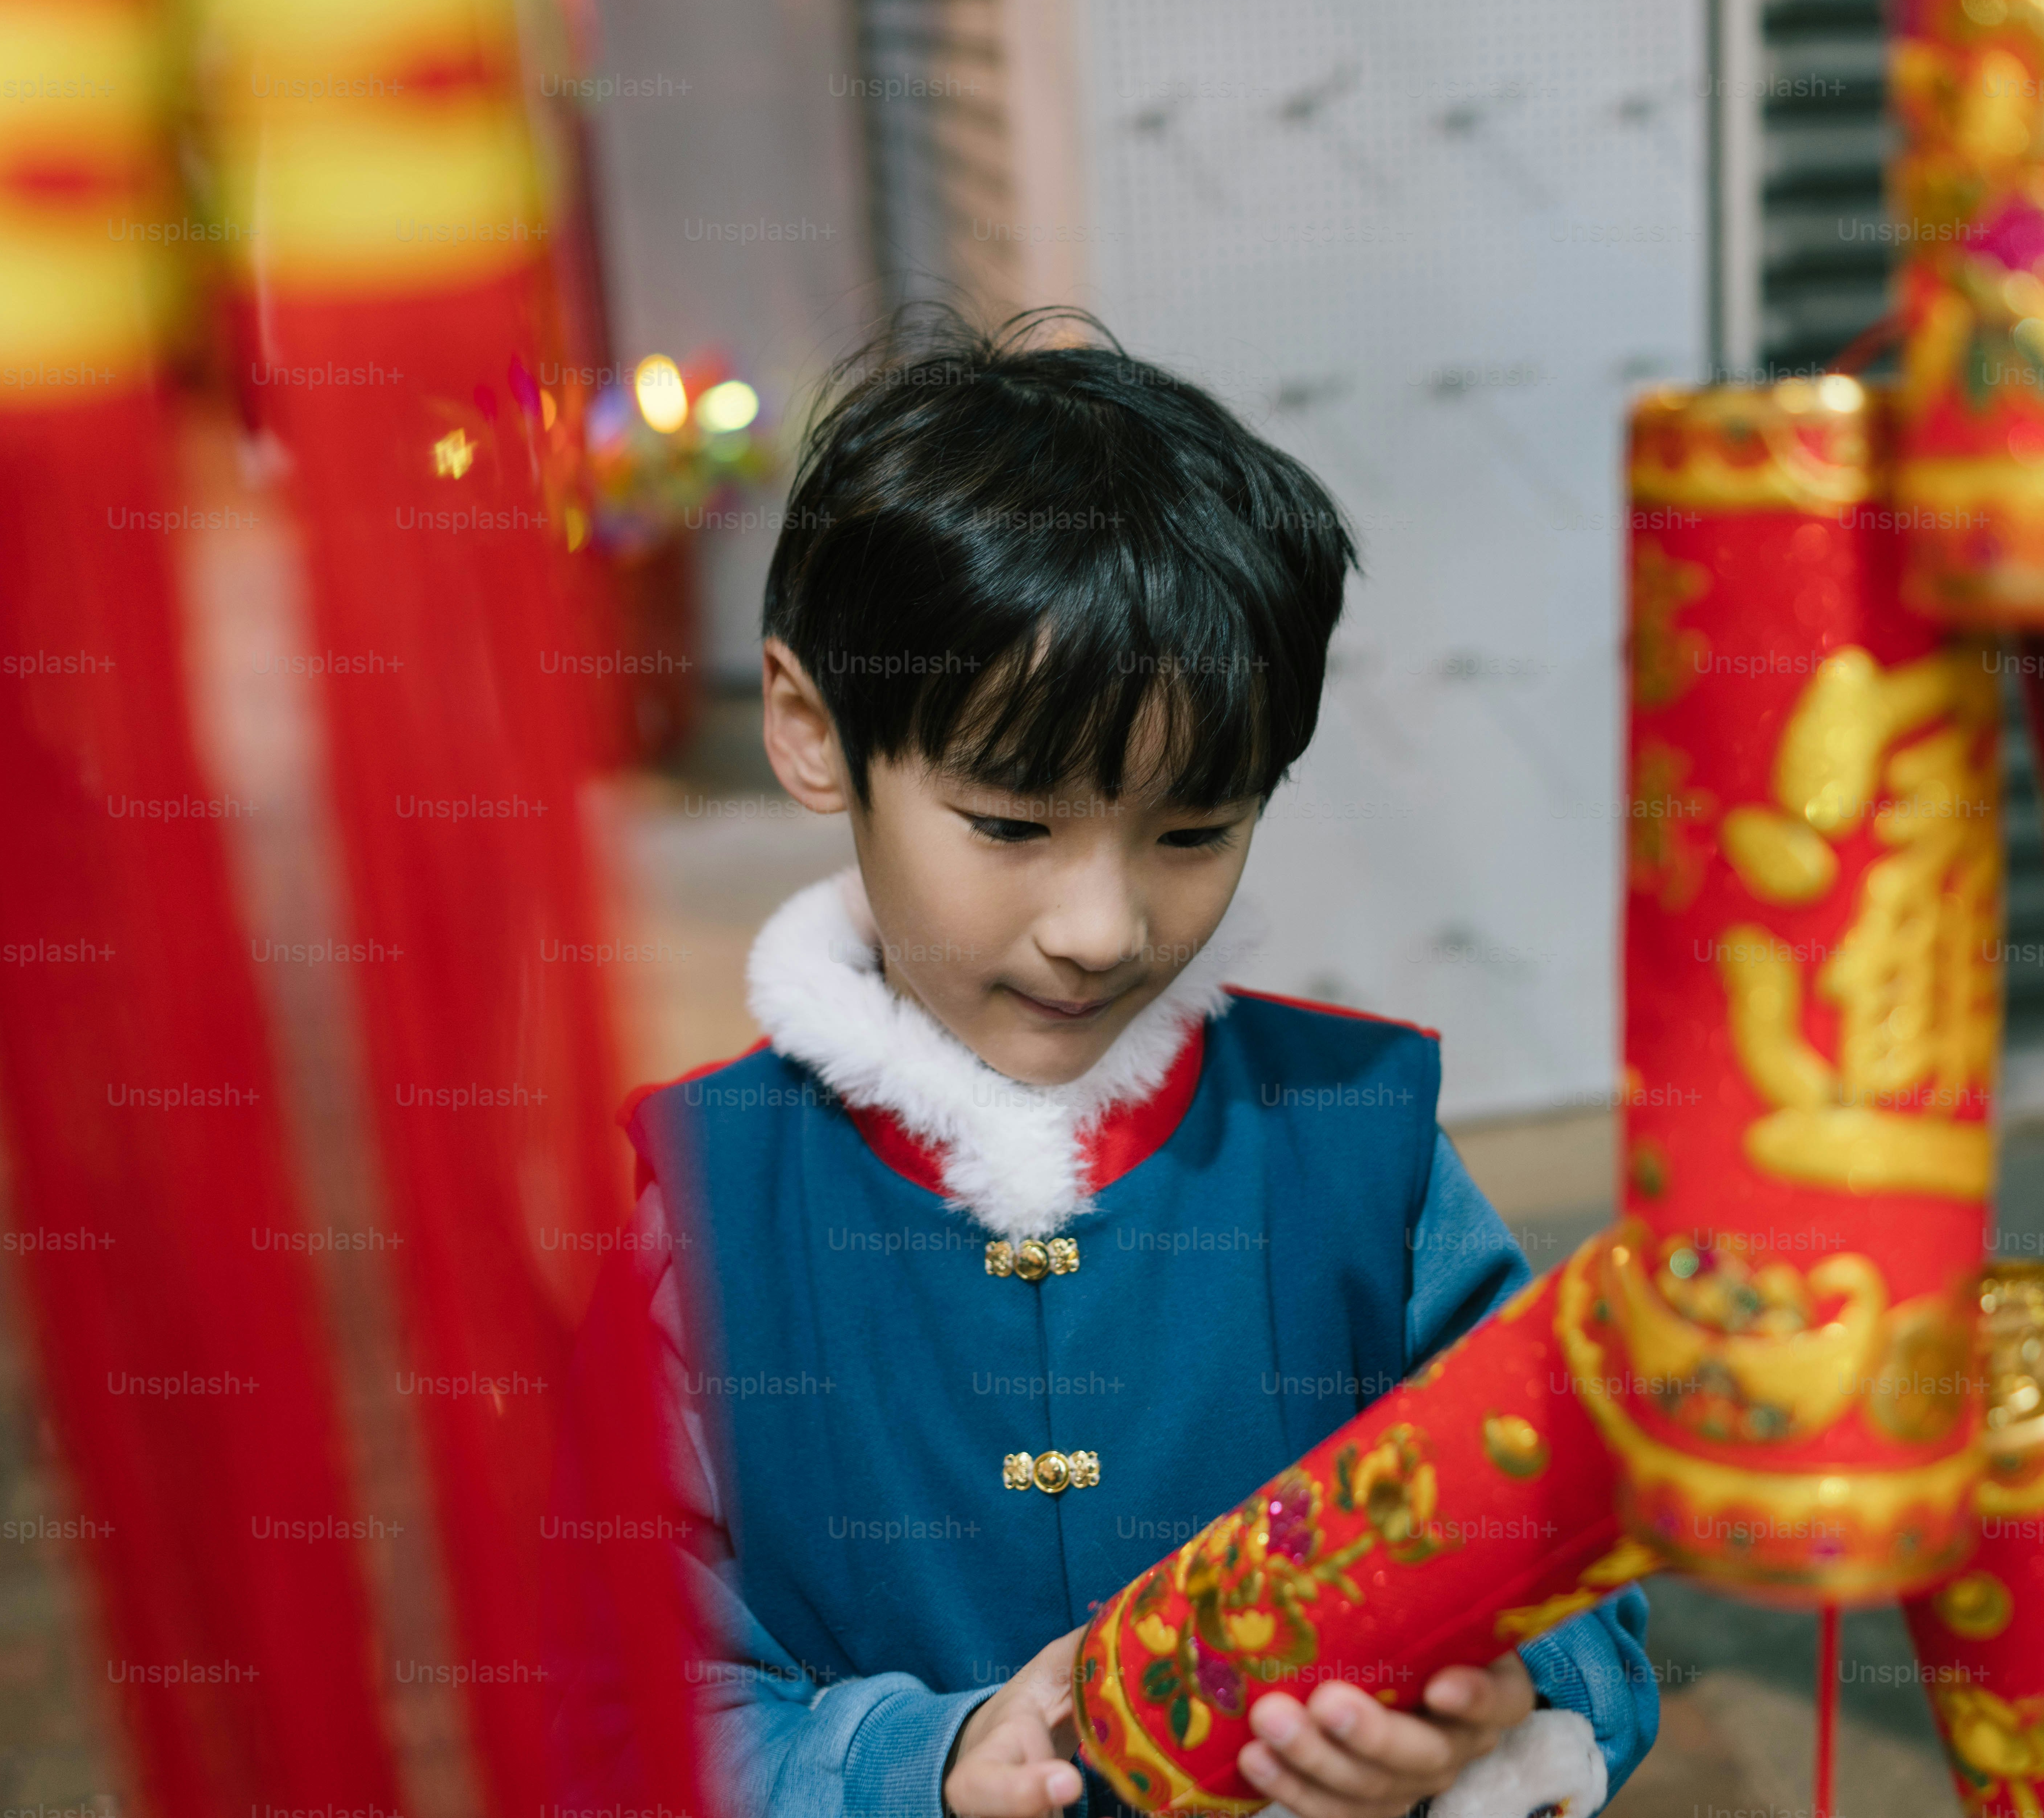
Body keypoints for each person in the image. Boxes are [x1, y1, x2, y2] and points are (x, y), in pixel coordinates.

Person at [554, 312, 1657, 1818]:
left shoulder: (1354, 1152)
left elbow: (1564, 1542)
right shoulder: (717, 1208)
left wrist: (1505, 1705)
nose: (1102, 925)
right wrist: (912, 1763)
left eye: (1193, 832)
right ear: (814, 732)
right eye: (1010, 826)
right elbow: (624, 1696)